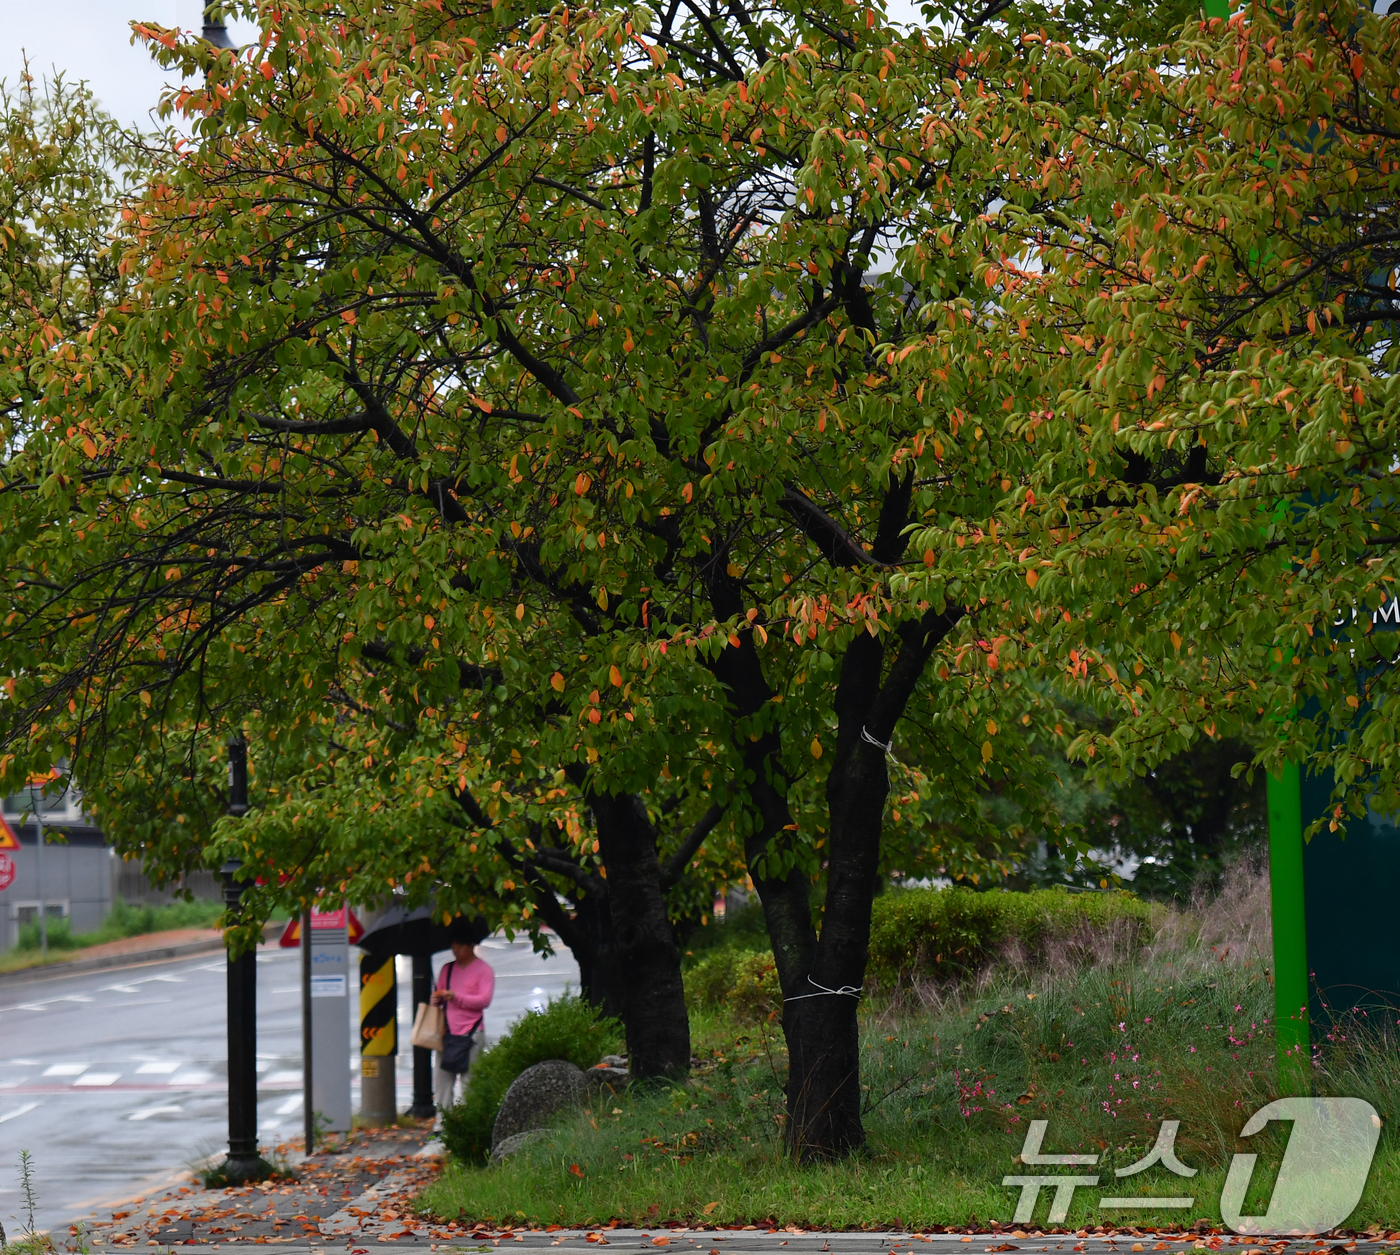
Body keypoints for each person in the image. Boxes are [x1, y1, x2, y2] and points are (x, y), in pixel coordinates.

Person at [431, 915, 494, 1117]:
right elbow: (439, 997)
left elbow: (484, 1000)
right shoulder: (447, 970)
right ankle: (442, 1123)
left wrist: (456, 997)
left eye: (460, 946)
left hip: (472, 1032)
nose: (456, 950)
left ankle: (469, 1120)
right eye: (454, 946)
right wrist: (437, 998)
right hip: (448, 1033)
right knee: (442, 1082)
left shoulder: (484, 971)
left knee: (469, 1082)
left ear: (471, 946)